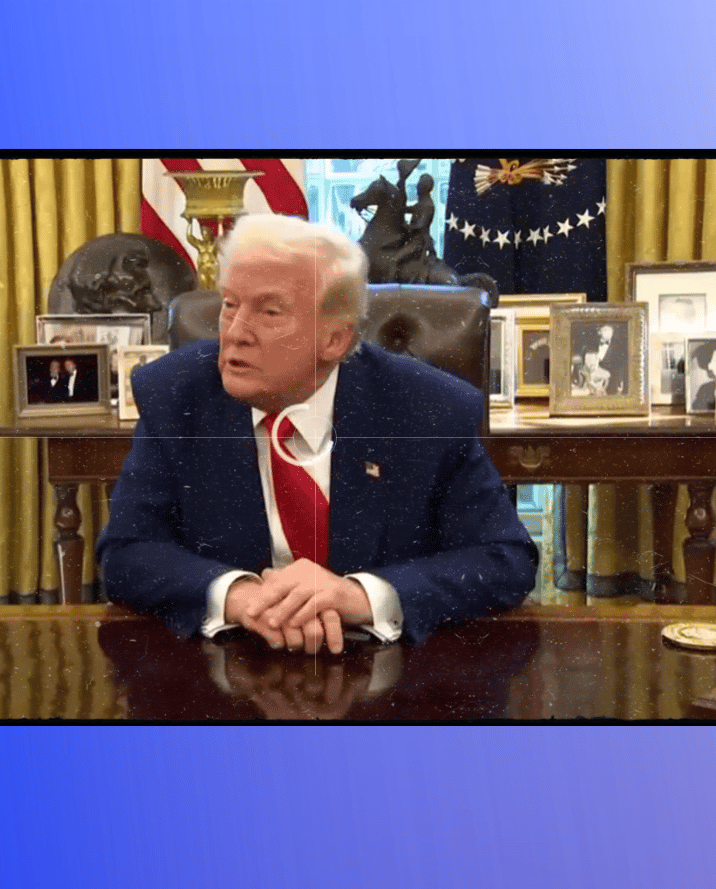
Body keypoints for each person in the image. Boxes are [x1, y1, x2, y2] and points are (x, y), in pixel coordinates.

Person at [96, 214, 538, 653]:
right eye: (230, 304)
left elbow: (504, 558)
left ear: (336, 340)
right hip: (230, 664)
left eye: (269, 311)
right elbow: (127, 552)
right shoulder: (176, 395)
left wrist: (360, 597)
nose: (236, 332)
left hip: (388, 671)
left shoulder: (429, 409)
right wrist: (238, 596)